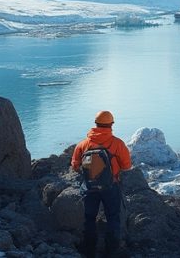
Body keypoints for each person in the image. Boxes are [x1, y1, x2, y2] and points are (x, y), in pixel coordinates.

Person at [71, 110, 132, 257]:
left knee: (89, 218)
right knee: (113, 217)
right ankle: (111, 250)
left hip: (89, 187)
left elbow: (75, 165)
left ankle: (89, 250)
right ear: (111, 124)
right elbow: (127, 166)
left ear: (95, 124)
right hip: (111, 186)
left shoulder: (83, 144)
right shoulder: (117, 143)